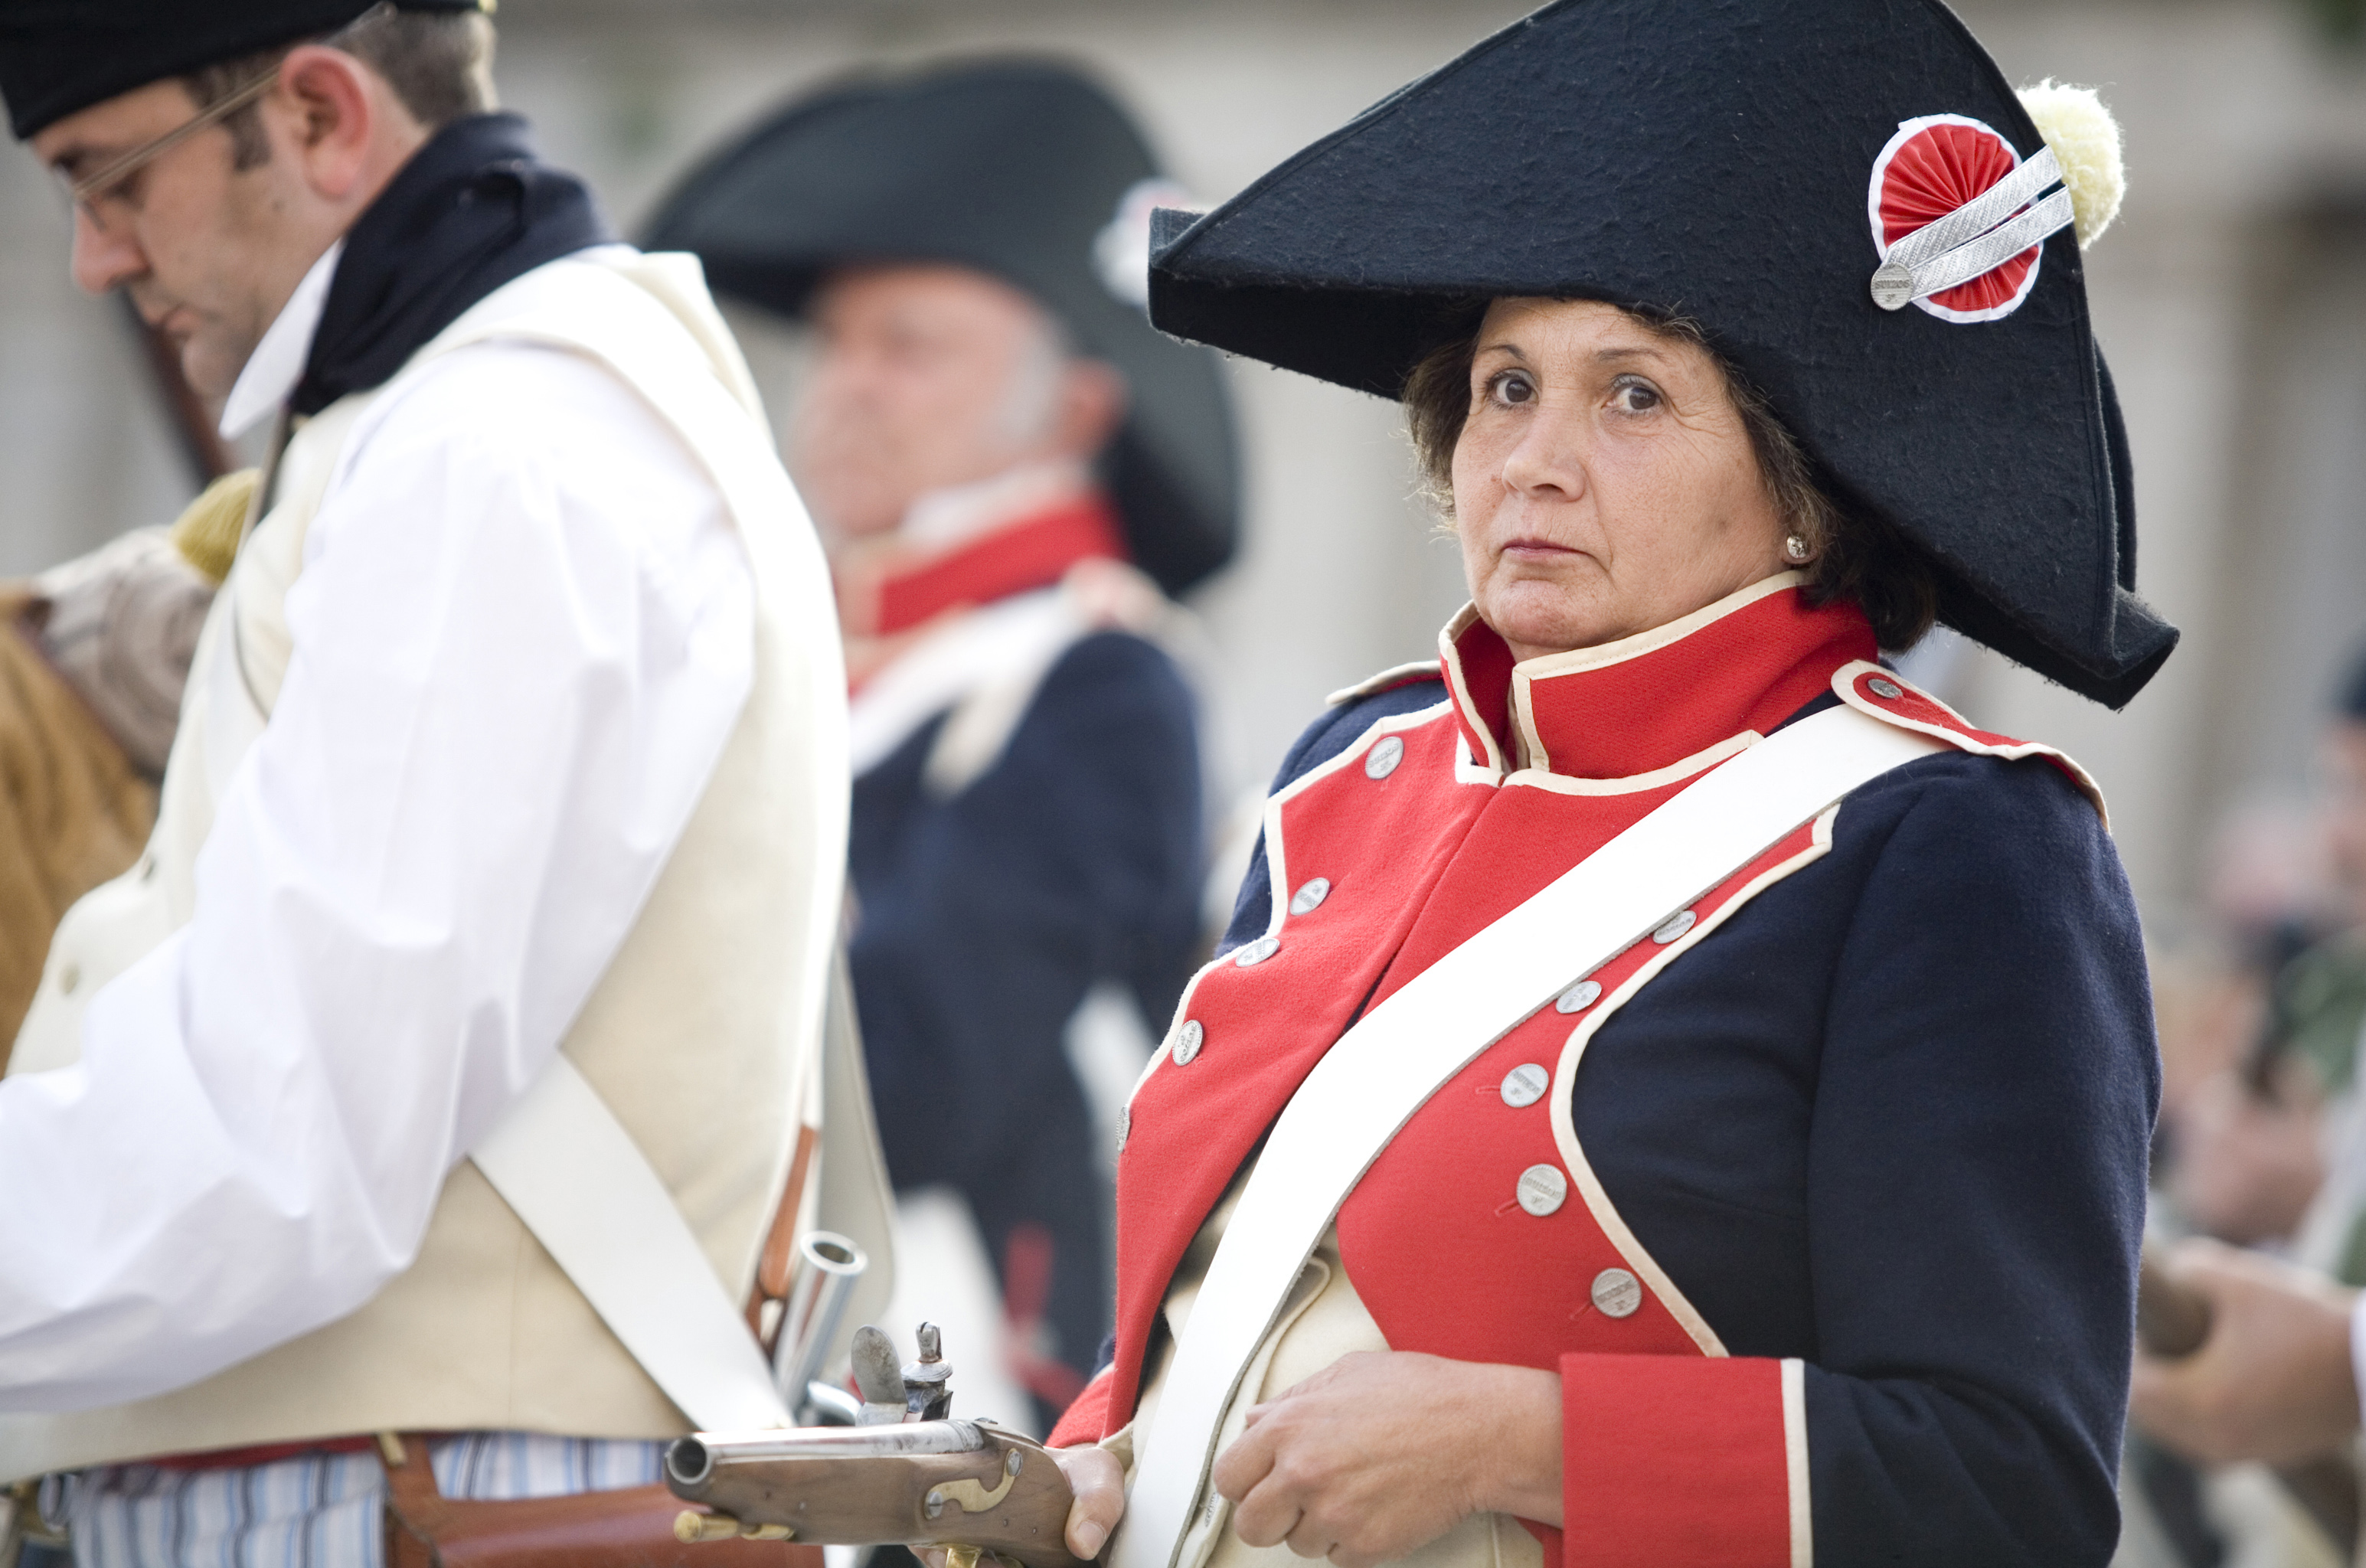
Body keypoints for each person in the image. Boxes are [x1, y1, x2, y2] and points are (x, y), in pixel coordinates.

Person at [1021, 3, 2175, 1565]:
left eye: (1632, 394)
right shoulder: (1351, 769)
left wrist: (1521, 1440)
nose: (1531, 460)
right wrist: (1104, 1457)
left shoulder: (1960, 841)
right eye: (1507, 386)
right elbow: (1221, 1296)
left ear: (1810, 480)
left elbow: (2007, 1487)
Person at [0, 2, 883, 1563]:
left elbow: (281, 1135)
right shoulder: (471, 426)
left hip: (400, 1505)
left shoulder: (497, 449)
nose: (95, 257)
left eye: (113, 177)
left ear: (322, 116)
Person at [643, 60, 1235, 1429]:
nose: (845, 386)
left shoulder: (1096, 680)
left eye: (907, 347)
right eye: (837, 342)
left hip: (939, 1386)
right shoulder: (794, 655)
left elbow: (907, 1086)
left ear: (1075, 410)